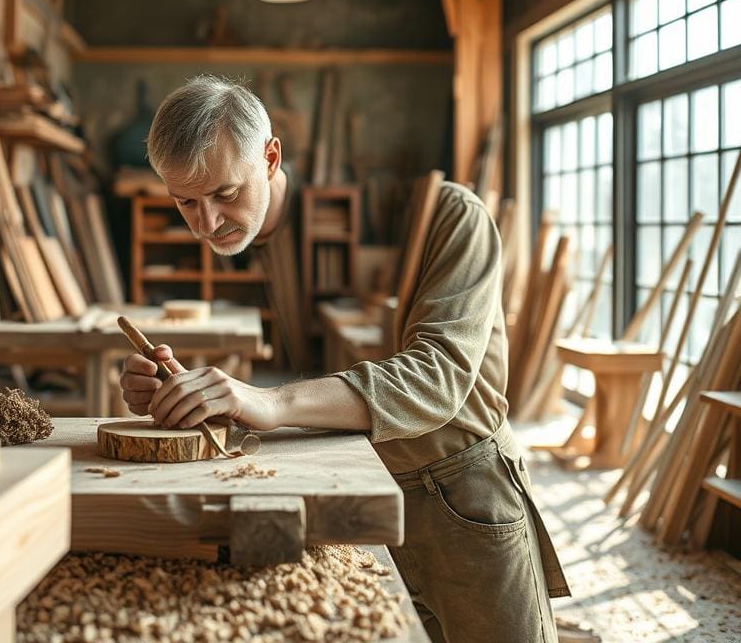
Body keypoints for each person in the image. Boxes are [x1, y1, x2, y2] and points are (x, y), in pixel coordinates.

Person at [119, 75, 569, 643]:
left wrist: (271, 400)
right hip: (347, 490)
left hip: (458, 494)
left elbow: (438, 377)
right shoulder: (262, 242)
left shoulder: (448, 217)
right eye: (185, 201)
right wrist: (183, 392)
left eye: (226, 194)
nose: (206, 224)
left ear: (271, 156)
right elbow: (309, 379)